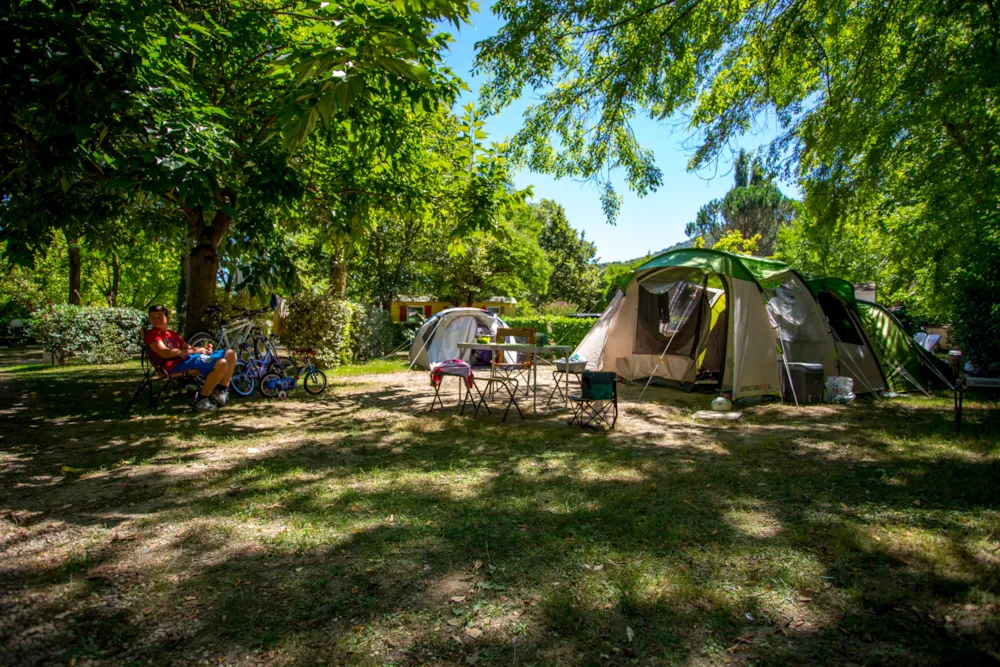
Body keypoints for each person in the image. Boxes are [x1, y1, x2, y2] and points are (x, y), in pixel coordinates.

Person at [144, 305, 237, 412]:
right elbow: (165, 353)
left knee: (230, 354)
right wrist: (194, 351)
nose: (156, 319)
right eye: (152, 317)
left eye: (159, 316)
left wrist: (203, 350)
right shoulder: (153, 334)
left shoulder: (171, 333)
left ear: (167, 318)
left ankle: (221, 390)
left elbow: (189, 348)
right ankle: (202, 400)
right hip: (173, 366)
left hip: (188, 360)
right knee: (221, 363)